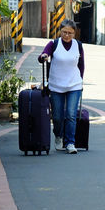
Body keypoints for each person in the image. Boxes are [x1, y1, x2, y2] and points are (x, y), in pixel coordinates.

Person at [38, 19, 84, 154]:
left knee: (70, 115)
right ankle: (58, 135)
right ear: (60, 31)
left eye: (70, 33)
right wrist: (44, 56)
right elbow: (43, 55)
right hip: (56, 85)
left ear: (75, 33)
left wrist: (80, 79)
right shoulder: (54, 44)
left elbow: (81, 65)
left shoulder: (78, 45)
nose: (67, 35)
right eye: (64, 32)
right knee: (57, 116)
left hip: (74, 85)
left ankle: (70, 143)